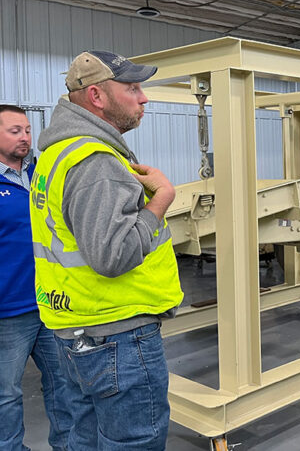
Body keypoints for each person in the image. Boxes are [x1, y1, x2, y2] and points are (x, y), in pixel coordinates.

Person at [29, 51, 184, 450]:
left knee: (84, 437)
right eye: (132, 88)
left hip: (76, 324)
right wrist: (161, 199)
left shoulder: (55, 154)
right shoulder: (94, 160)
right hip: (117, 334)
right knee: (133, 441)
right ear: (96, 95)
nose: (144, 98)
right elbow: (113, 255)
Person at [0, 105, 73, 451]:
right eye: (15, 131)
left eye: (27, 130)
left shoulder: (42, 174)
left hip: (51, 302)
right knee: (6, 395)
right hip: (8, 311)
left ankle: (70, 446)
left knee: (65, 385)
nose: (25, 137)